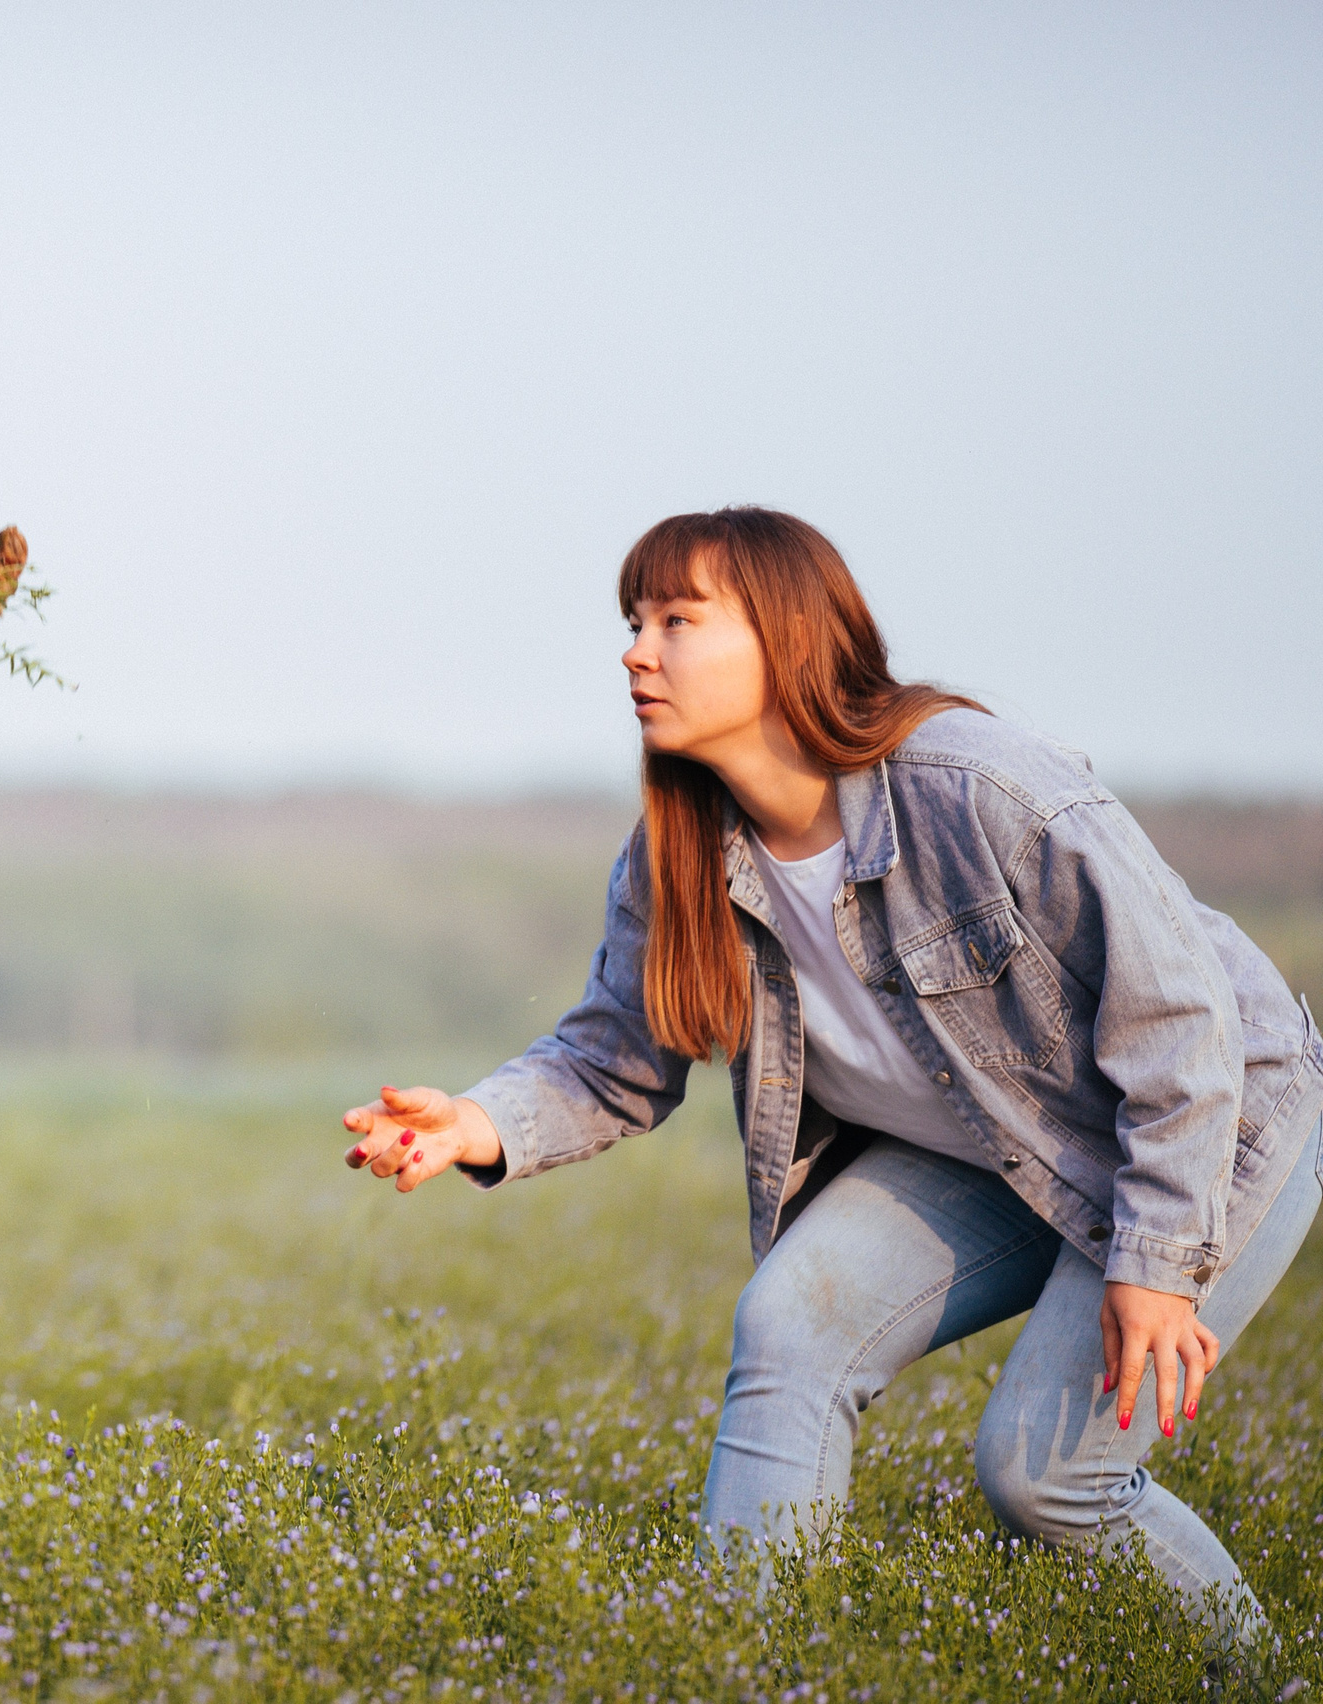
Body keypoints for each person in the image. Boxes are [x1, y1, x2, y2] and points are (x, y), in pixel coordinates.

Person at [340, 507, 1321, 1635]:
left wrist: (1154, 1259)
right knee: (791, 1328)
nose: (634, 651)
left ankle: (1260, 1675)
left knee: (1044, 1478)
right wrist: (475, 1122)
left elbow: (1180, 1015)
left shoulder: (979, 788)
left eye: (674, 619)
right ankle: (751, 1663)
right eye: (631, 621)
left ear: (786, 638)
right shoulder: (680, 854)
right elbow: (615, 1052)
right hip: (983, 1142)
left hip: (1215, 1121)